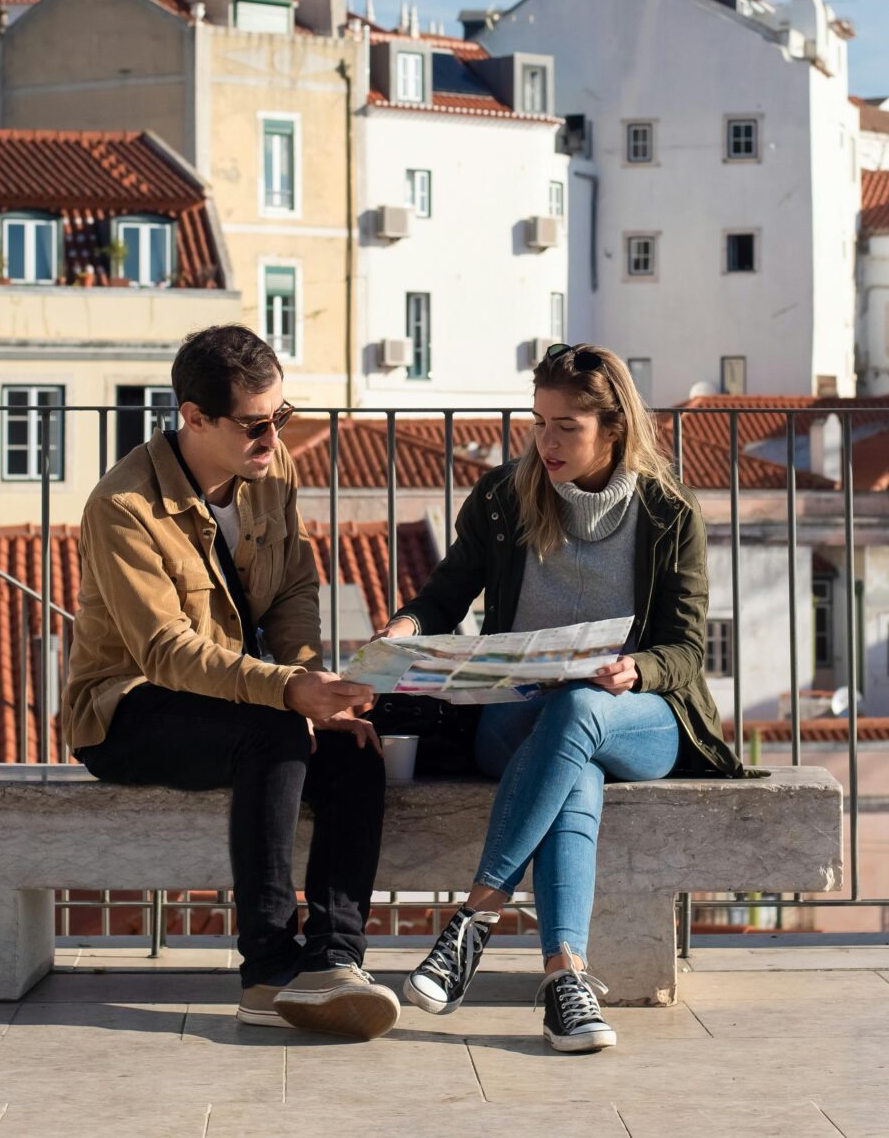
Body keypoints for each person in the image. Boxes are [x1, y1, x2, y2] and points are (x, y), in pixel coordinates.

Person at [379, 342, 744, 1053]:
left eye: (566, 426)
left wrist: (635, 669)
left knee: (579, 710)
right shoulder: (501, 499)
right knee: (569, 749)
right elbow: (442, 597)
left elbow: (685, 650)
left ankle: (474, 918)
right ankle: (566, 982)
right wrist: (404, 629)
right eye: (538, 421)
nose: (546, 441)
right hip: (518, 716)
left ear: (614, 428)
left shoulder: (668, 514)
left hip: (635, 717)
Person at [65, 324, 398, 1040]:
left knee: (354, 743)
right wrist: (287, 693)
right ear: (194, 416)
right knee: (277, 730)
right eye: (255, 423)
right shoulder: (123, 507)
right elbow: (164, 651)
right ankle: (267, 971)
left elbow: (294, 592)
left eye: (282, 416)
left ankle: (334, 960)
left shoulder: (269, 477)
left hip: (241, 697)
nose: (273, 437)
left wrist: (314, 680)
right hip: (125, 709)